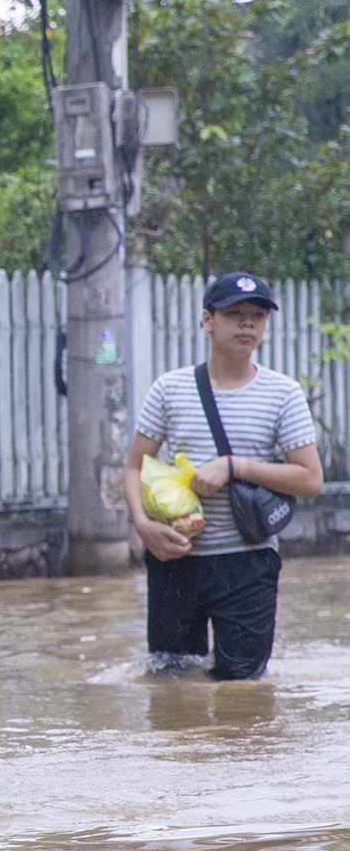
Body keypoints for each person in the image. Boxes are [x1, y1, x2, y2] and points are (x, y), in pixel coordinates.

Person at [122, 273, 322, 681]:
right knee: (170, 681)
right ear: (206, 320)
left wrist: (234, 466)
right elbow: (133, 467)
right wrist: (143, 527)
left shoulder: (283, 394)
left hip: (248, 562)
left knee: (243, 687)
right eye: (234, 314)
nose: (247, 324)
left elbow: (310, 480)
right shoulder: (169, 389)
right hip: (175, 559)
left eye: (257, 316)